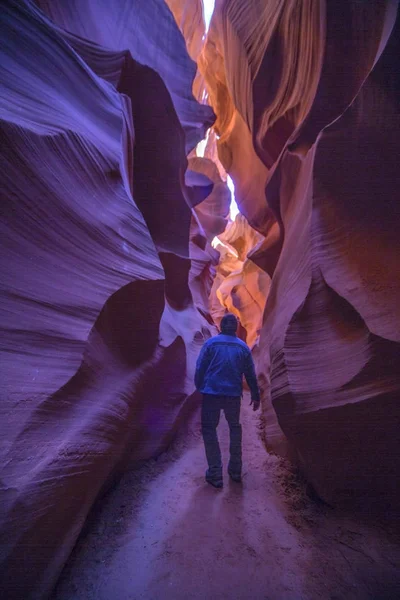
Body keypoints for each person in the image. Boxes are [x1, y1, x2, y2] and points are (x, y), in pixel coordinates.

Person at [194, 313, 260, 488]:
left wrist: (198, 385)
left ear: (222, 326)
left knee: (209, 429)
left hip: (212, 392)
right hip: (232, 394)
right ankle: (235, 470)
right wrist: (255, 393)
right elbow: (250, 374)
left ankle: (215, 473)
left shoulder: (210, 344)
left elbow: (200, 367)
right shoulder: (243, 348)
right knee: (235, 428)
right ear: (236, 328)